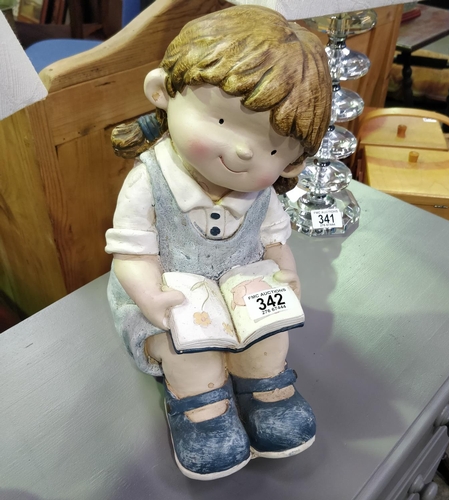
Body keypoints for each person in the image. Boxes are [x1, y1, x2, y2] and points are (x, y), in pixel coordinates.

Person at [105, 5, 331, 480]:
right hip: (168, 299)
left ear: (291, 163)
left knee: (269, 338)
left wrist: (285, 271)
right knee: (189, 352)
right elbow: (132, 253)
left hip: (239, 294)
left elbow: (273, 244)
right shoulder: (149, 181)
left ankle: (265, 387)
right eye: (223, 123)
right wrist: (150, 296)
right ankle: (201, 407)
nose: (246, 151)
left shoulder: (263, 195)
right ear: (162, 91)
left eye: (273, 148)